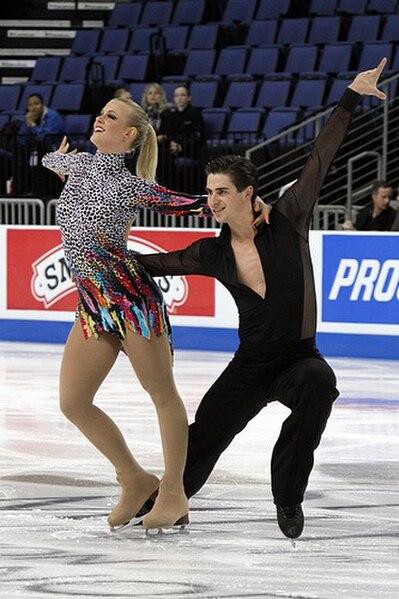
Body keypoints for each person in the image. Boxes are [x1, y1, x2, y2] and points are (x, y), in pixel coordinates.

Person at [133, 59, 388, 539]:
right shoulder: (210, 253)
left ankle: (288, 497)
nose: (212, 200)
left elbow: (321, 157)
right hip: (250, 364)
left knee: (319, 383)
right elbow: (151, 264)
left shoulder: (288, 219)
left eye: (222, 191)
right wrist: (96, 247)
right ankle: (168, 498)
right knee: (205, 435)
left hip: (298, 358)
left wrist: (352, 94)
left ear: (249, 193)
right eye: (209, 192)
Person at [42, 96, 270, 532]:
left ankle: (173, 491)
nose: (99, 118)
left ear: (129, 136)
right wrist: (57, 160)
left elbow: (193, 204)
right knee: (73, 402)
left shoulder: (129, 187)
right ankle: (133, 478)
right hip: (93, 304)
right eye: (101, 113)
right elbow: (51, 157)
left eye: (111, 117)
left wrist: (244, 202)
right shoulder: (78, 166)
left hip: (131, 302)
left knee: (162, 395)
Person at [158, 84, 205, 191]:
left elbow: (198, 136)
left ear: (189, 97)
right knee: (160, 158)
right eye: (176, 95)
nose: (179, 98)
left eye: (182, 95)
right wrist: (171, 143)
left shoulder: (195, 113)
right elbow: (164, 134)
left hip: (190, 151)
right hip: (170, 150)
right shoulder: (168, 114)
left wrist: (181, 146)